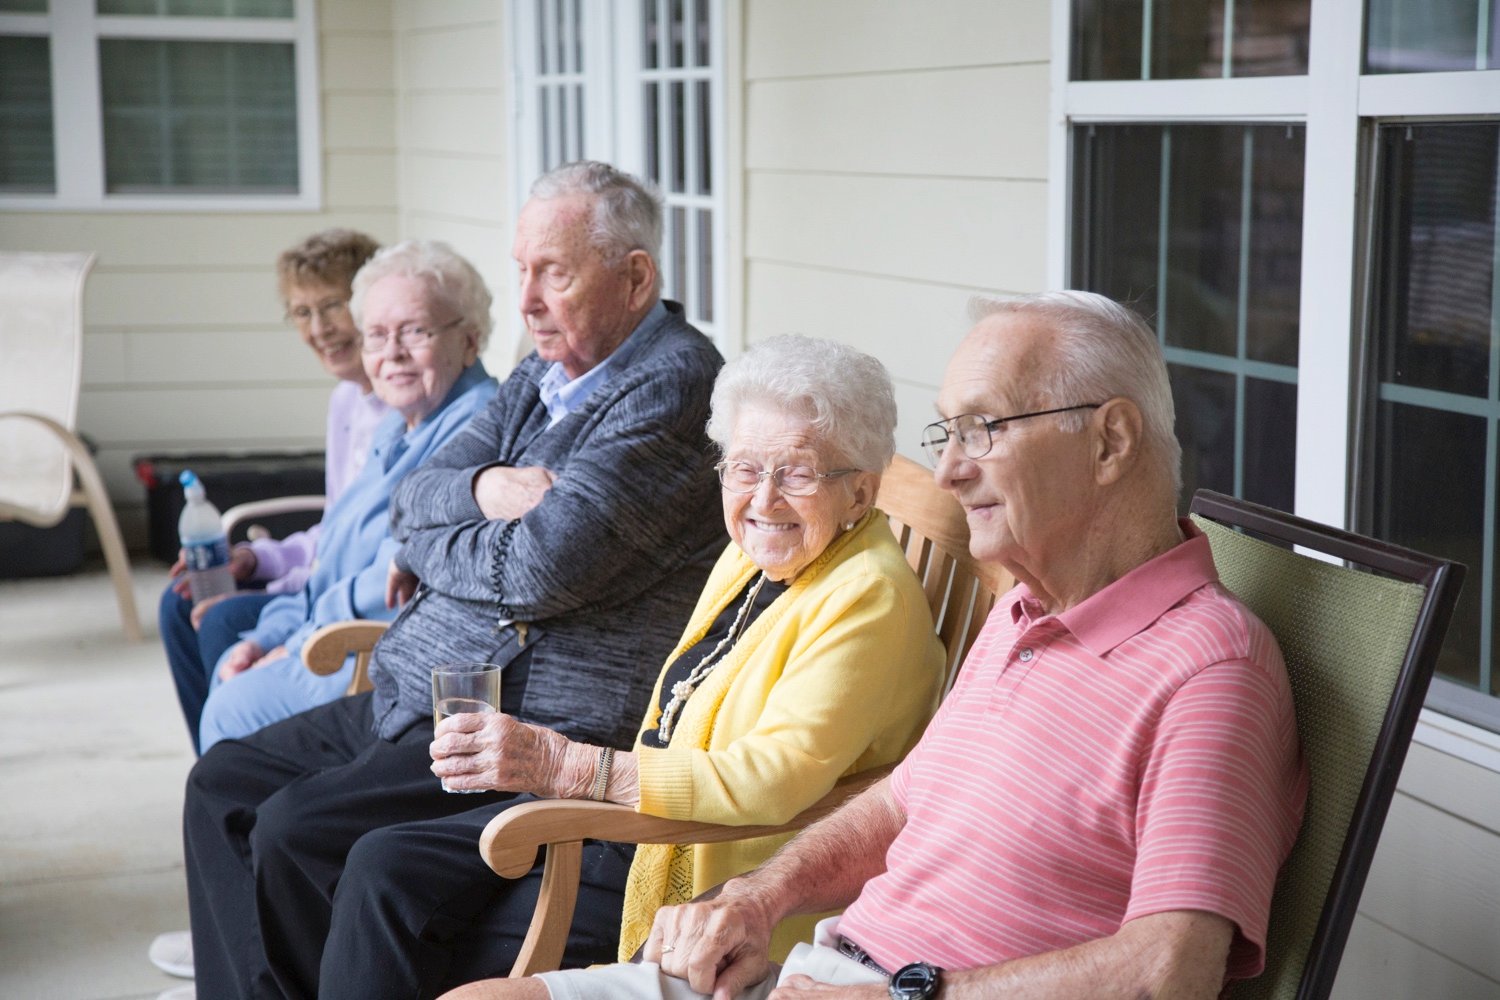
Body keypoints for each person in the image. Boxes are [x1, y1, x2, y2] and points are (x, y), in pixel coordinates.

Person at [456, 291, 1310, 1000]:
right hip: (817, 971)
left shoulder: (1210, 669)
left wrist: (906, 994)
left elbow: (1173, 969)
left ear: (1111, 441)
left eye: (983, 429)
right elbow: (904, 800)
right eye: (949, 434)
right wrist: (759, 898)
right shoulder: (1024, 618)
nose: (947, 474)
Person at [165, 161, 728, 1000]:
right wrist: (484, 491)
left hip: (519, 712)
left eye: (555, 274)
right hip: (420, 682)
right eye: (522, 272)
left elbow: (543, 568)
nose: (529, 300)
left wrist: (449, 531)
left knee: (292, 829)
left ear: (636, 277)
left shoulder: (672, 386)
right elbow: (412, 498)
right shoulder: (545, 373)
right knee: (222, 786)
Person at [308, 334, 947, 1000]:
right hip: (647, 822)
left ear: (859, 494)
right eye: (745, 468)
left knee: (405, 905)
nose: (764, 498)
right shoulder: (760, 555)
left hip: (717, 871)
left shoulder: (868, 595)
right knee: (382, 862)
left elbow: (773, 780)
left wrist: (572, 766)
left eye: (797, 472)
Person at [189, 239, 499, 753]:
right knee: (229, 663)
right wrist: (268, 635)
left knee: (232, 707)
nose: (392, 353)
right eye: (376, 336)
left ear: (470, 340)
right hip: (327, 634)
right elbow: (330, 556)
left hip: (377, 657)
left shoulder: (475, 428)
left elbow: (391, 580)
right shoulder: (396, 426)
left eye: (415, 332)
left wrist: (291, 644)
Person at [157, 229, 387, 756]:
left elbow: (360, 558)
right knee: (180, 602)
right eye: (301, 312)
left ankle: (238, 774)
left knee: (220, 618)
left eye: (332, 306)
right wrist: (254, 559)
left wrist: (280, 579)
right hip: (319, 579)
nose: (319, 328)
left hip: (345, 602)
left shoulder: (403, 407)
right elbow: (337, 527)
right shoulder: (347, 402)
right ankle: (214, 773)